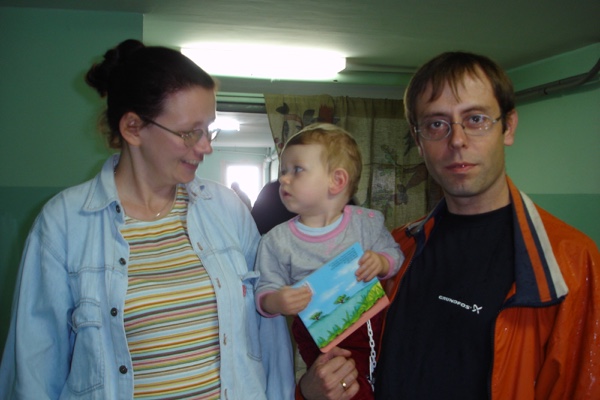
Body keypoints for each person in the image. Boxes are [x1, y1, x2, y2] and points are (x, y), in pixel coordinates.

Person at [0, 39, 294, 400]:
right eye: (190, 132)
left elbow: (269, 338)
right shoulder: (63, 223)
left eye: (208, 129)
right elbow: (34, 370)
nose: (206, 146)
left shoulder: (228, 211)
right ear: (133, 128)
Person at [297, 51, 600, 400]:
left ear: (508, 126)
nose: (457, 140)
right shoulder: (392, 250)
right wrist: (310, 390)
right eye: (436, 124)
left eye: (475, 119)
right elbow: (346, 363)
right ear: (418, 140)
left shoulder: (570, 262)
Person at [254, 123, 404, 399]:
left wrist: (381, 263)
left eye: (297, 170)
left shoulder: (366, 224)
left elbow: (396, 255)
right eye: (283, 171)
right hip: (316, 334)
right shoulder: (276, 241)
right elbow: (264, 289)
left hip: (369, 325)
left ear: (337, 181)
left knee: (379, 378)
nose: (284, 179)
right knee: (338, 384)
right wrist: (276, 301)